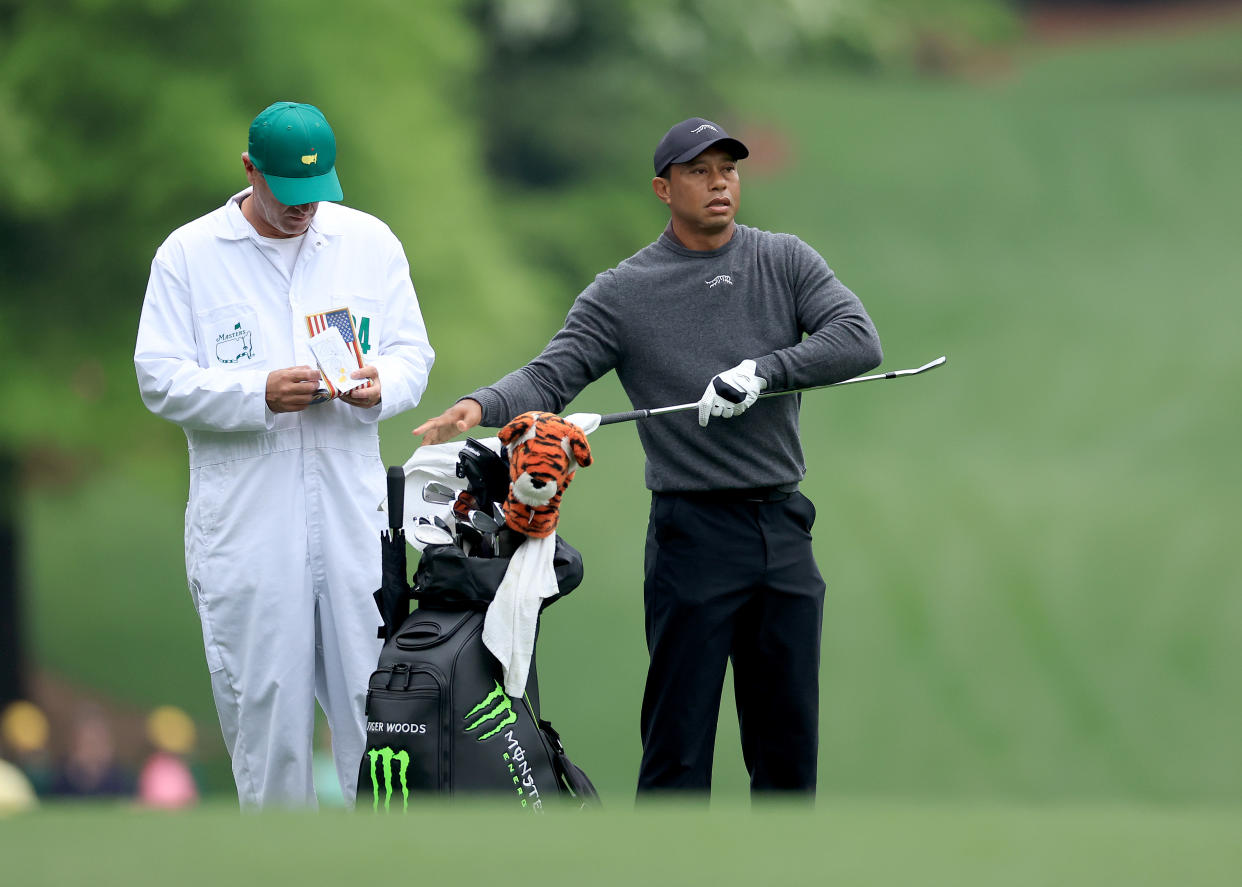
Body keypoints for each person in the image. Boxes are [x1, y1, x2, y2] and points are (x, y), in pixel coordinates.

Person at [413, 117, 881, 797]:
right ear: (664, 188)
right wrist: (481, 405)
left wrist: (764, 370)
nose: (718, 183)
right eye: (699, 171)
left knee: (787, 745)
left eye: (728, 168)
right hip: (692, 534)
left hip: (783, 528)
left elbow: (857, 339)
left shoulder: (784, 260)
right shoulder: (625, 291)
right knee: (677, 745)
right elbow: (552, 375)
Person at [135, 101, 435, 809]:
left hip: (351, 510)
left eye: (317, 194)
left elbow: (412, 354)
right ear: (249, 171)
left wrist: (379, 386)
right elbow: (159, 376)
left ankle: (390, 861)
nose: (305, 210)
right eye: (288, 194)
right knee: (268, 713)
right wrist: (258, 392)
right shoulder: (189, 255)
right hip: (247, 517)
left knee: (377, 702)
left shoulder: (369, 241)